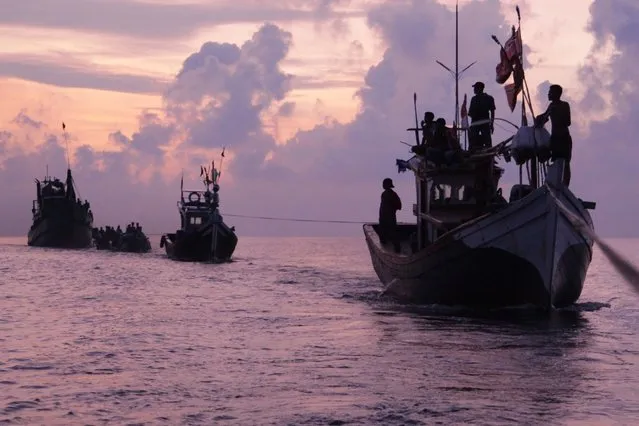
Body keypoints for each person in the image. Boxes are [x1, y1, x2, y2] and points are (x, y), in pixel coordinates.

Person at [535, 84, 572, 186]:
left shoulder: (564, 105)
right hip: (555, 139)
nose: (548, 94)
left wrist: (556, 112)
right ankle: (556, 184)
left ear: (557, 94)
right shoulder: (551, 106)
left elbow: (568, 122)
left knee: (566, 163)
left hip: (564, 138)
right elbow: (544, 119)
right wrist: (539, 118)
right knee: (555, 161)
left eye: (550, 92)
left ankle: (565, 186)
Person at [468, 81, 496, 151]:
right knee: (474, 141)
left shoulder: (488, 98)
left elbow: (492, 111)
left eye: (475, 88)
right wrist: (491, 124)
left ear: (480, 88)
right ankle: (473, 151)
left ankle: (488, 152)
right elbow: (470, 113)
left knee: (486, 141)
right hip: (478, 123)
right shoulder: (474, 99)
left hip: (483, 123)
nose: (474, 89)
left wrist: (492, 124)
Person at [379, 178, 402, 253]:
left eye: (384, 184)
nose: (383, 185)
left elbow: (399, 206)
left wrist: (391, 207)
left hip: (389, 218)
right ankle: (390, 249)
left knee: (392, 234)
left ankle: (396, 250)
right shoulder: (386, 194)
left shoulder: (391, 194)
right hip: (385, 218)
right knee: (385, 234)